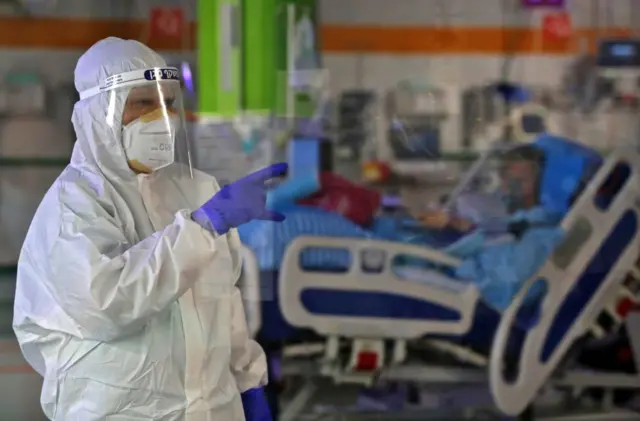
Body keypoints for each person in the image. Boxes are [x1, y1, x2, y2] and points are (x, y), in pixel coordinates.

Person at [13, 37, 285, 421]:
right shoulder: (73, 206)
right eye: (144, 103)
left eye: (168, 103)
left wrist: (249, 382)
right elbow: (108, 304)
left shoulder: (197, 189)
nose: (162, 117)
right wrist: (202, 228)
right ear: (99, 113)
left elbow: (222, 301)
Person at [415, 145, 544, 233]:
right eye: (504, 175)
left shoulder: (538, 216)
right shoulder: (501, 196)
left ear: (538, 181)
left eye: (519, 181)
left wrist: (466, 225)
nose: (508, 184)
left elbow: (512, 227)